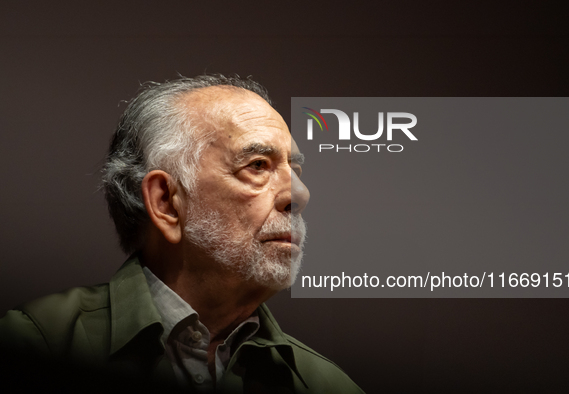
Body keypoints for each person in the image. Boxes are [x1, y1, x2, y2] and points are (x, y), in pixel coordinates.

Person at [0, 75, 364, 393]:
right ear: (166, 203)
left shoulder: (326, 385)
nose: (299, 194)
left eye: (294, 168)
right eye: (257, 166)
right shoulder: (37, 343)